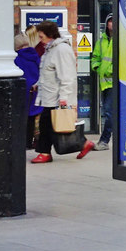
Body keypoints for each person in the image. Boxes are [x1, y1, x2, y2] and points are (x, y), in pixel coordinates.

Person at [32, 20, 93, 163]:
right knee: (54, 125)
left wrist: (64, 97)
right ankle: (83, 143)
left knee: (49, 124)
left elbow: (67, 75)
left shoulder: (61, 50)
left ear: (50, 35)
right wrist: (38, 84)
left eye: (42, 37)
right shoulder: (51, 49)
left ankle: (45, 152)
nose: (40, 41)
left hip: (56, 96)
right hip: (50, 95)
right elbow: (48, 73)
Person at [14, 32, 42, 150]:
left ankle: (26, 143)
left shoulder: (16, 58)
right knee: (33, 117)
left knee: (24, 118)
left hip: (23, 91)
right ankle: (34, 141)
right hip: (35, 90)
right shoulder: (36, 56)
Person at [90, 14, 114, 150]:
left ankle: (104, 141)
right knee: (108, 112)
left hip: (115, 83)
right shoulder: (101, 41)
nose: (112, 23)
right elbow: (95, 57)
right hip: (104, 83)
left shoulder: (121, 40)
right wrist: (97, 68)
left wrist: (111, 71)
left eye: (113, 21)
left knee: (109, 112)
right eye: (109, 21)